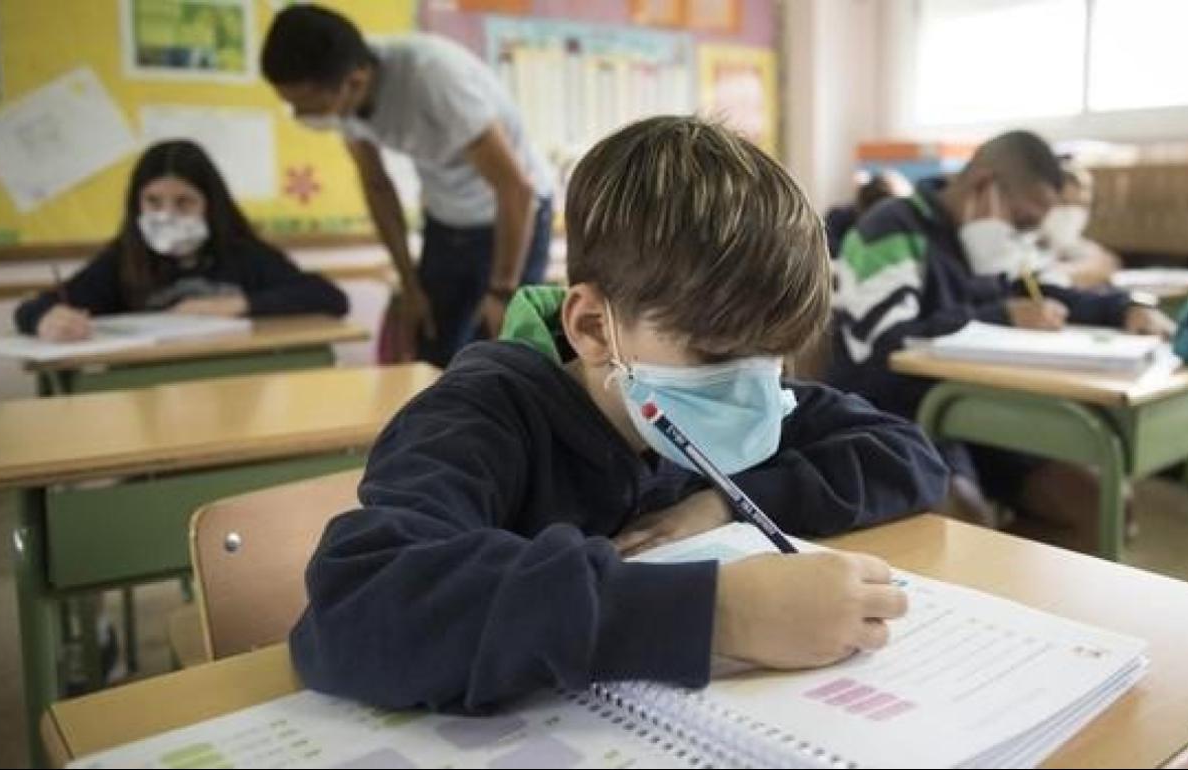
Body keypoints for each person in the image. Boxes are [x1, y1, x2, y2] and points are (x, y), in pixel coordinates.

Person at [289, 116, 949, 711]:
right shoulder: (482, 417)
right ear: (593, 328)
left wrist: (724, 502)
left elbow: (907, 454)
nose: (753, 390)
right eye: (718, 354)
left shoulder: (721, 389)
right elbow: (357, 605)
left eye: (776, 356)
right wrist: (719, 616)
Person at [827, 130, 1174, 552]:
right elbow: (882, 347)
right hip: (900, 416)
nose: (1022, 237)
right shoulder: (891, 228)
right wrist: (1001, 314)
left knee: (1099, 506)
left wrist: (1124, 309)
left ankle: (1013, 592)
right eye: (1022, 221)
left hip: (977, 413)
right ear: (982, 185)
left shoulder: (987, 244)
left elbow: (1044, 291)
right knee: (967, 527)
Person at [261, 4, 554, 367]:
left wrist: (502, 291)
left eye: (308, 106)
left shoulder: (434, 78)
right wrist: (409, 284)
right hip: (447, 219)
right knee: (428, 345)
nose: (304, 117)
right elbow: (377, 187)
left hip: (514, 216)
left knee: (500, 356)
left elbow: (515, 189)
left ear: (354, 82)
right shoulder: (342, 91)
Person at [15, 140, 347, 341]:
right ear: (136, 205)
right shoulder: (123, 258)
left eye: (183, 202)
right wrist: (45, 318)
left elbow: (329, 297)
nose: (167, 214)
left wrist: (234, 305)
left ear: (210, 205)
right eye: (154, 202)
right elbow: (35, 308)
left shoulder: (243, 254)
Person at [1036, 160, 1121, 289]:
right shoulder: (1024, 246)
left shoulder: (1083, 248)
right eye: (1064, 203)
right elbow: (1039, 278)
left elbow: (1107, 265)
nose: (1071, 212)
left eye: (1080, 205)